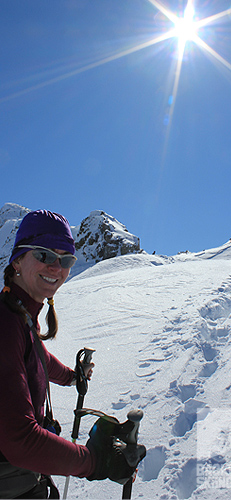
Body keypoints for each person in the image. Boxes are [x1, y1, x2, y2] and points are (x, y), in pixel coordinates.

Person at [0, 210, 145, 499]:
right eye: (44, 255)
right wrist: (94, 461)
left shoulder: (18, 314)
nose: (56, 267)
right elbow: (20, 439)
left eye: (65, 259)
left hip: (24, 478)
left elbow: (38, 355)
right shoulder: (5, 322)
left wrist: (71, 376)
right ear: (17, 259)